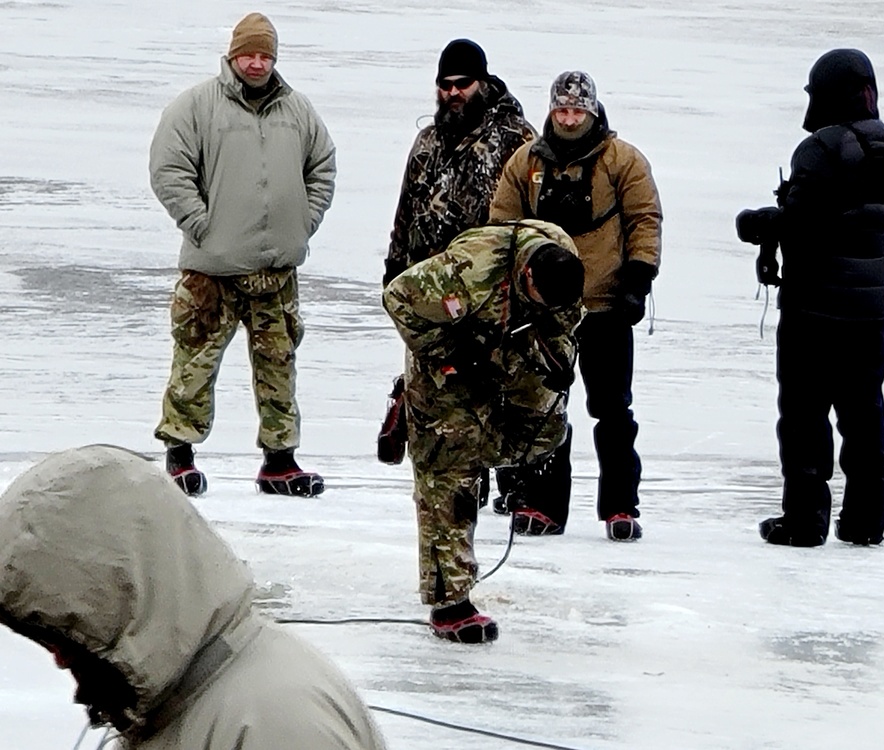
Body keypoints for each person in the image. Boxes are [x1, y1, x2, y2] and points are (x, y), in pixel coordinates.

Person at [0, 444, 387, 749]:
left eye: (75, 626)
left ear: (131, 595)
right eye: (50, 633)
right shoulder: (164, 707)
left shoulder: (276, 723)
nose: (59, 657)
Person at [149, 12, 336, 498]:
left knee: (279, 363)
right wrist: (201, 225)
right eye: (249, 54)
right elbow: (168, 169)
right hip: (213, 270)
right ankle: (180, 455)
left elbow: (323, 166)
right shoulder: (196, 106)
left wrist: (304, 221)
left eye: (265, 55)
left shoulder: (297, 110)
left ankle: (280, 461)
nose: (257, 63)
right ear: (233, 55)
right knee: (195, 362)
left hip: (277, 269)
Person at [736, 48, 884, 547]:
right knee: (864, 413)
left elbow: (803, 221)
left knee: (804, 414)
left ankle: (806, 519)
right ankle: (866, 520)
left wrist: (755, 224)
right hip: (871, 308)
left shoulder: (818, 150)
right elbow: (854, 211)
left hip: (814, 307)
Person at [383, 220, 585, 642]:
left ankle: (471, 447)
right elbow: (397, 297)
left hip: (511, 342)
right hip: (447, 357)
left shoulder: (562, 257)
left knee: (547, 431)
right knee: (450, 468)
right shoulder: (469, 269)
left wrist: (553, 365)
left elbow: (565, 324)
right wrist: (448, 354)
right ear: (526, 275)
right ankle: (450, 600)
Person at [490, 71, 662, 541]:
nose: (569, 118)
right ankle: (543, 506)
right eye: (562, 110)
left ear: (592, 111)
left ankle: (621, 506)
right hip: (544, 313)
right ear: (550, 111)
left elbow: (645, 219)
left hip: (606, 308)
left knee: (612, 410)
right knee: (545, 409)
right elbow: (501, 226)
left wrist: (639, 278)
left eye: (577, 111)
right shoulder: (525, 163)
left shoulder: (623, 161)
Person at [382, 38, 536, 286]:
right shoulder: (426, 142)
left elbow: (534, 222)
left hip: (487, 291)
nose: (453, 92)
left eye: (463, 83)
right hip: (425, 287)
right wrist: (394, 270)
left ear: (482, 83)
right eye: (445, 84)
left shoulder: (516, 138)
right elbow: (404, 215)